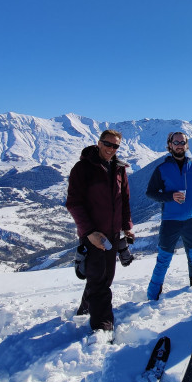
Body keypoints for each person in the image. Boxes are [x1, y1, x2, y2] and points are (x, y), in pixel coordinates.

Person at [65, 129, 135, 332]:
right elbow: (73, 203)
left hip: (112, 235)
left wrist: (127, 226)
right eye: (108, 144)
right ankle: (102, 326)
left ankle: (84, 310)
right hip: (93, 236)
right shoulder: (83, 168)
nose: (111, 149)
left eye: (115, 146)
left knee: (105, 279)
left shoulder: (119, 168)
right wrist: (89, 233)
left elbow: (124, 200)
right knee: (99, 284)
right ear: (98, 142)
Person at [145, 131, 192, 300]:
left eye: (182, 142)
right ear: (170, 145)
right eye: (176, 142)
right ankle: (153, 295)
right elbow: (150, 192)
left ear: (186, 145)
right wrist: (169, 197)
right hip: (170, 220)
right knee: (163, 258)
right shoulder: (162, 169)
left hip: (189, 220)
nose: (179, 145)